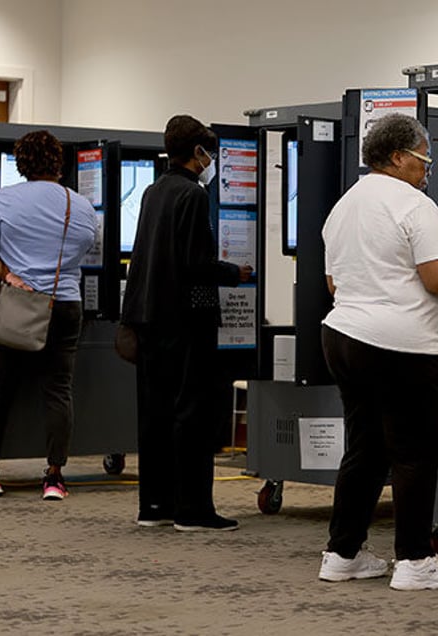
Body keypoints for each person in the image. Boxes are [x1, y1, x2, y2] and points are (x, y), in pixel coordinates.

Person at [317, 113, 438, 590]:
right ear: (397, 157)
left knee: (365, 450)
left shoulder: (344, 206)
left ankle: (342, 553)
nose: (426, 170)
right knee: (414, 454)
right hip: (403, 346)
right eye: (422, 160)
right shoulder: (415, 207)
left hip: (343, 337)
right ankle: (414, 561)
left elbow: (334, 282)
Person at [0, 130, 98, 500]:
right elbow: (87, 245)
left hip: (18, 302)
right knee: (58, 390)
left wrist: (7, 273)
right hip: (65, 304)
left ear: (21, 164)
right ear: (58, 163)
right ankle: (54, 478)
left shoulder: (4, 200)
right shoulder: (79, 205)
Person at [121, 115, 252, 531]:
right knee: (191, 414)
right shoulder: (192, 195)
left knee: (154, 414)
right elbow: (195, 264)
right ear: (198, 152)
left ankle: (155, 507)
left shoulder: (153, 191)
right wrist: (235, 273)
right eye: (210, 152)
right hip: (185, 319)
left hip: (147, 316)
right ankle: (194, 510)